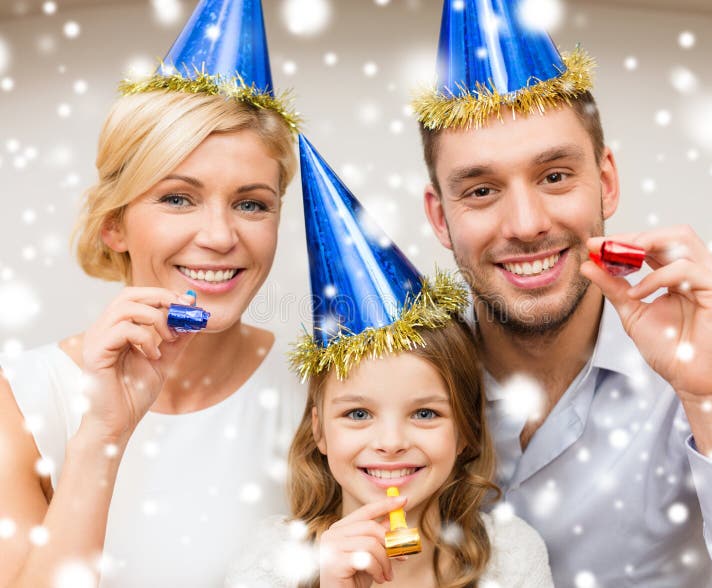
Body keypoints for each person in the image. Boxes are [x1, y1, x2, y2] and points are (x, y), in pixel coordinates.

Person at [414, 1, 712, 586]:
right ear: (441, 219)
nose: (525, 223)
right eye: (482, 190)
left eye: (554, 176)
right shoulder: (404, 369)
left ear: (608, 181)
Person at [0, 1, 301, 586]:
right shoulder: (21, 405)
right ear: (114, 223)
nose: (219, 236)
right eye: (177, 198)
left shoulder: (323, 394)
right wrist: (102, 435)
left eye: (251, 203)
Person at [225, 135, 554, 587]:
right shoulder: (272, 563)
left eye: (425, 413)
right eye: (358, 413)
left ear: (465, 430)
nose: (391, 441)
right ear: (319, 429)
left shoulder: (511, 557)